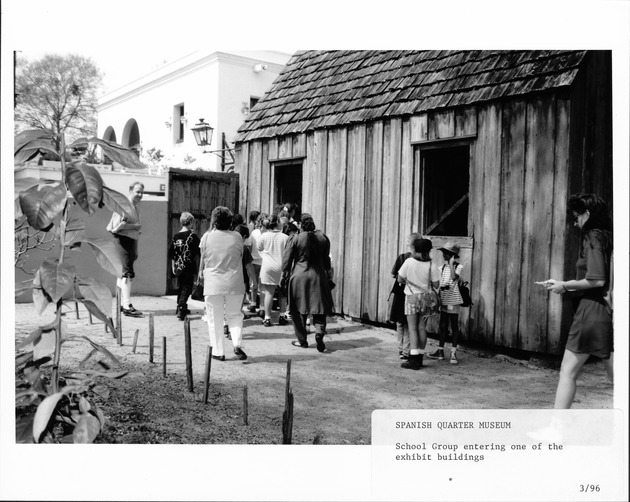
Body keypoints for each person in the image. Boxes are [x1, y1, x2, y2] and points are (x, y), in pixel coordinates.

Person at [543, 193, 613, 408]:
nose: (575, 222)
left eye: (577, 217)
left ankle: (557, 430)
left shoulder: (593, 236)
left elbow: (597, 280)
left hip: (591, 309)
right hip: (606, 310)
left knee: (567, 372)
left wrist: (564, 285)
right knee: (618, 378)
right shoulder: (607, 236)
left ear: (588, 214)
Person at [198, 206, 247, 361]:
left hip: (213, 282)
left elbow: (202, 257)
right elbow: (241, 254)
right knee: (235, 315)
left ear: (214, 220)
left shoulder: (206, 237)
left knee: (214, 319)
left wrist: (200, 273)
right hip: (234, 281)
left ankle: (218, 351)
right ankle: (237, 343)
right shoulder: (237, 236)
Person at [282, 214, 334, 352]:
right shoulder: (323, 238)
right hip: (318, 276)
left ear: (300, 225)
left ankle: (302, 340)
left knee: (298, 309)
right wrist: (328, 276)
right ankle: (319, 333)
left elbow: (286, 261)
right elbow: (327, 262)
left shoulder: (296, 238)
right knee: (319, 308)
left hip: (299, 276)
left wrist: (284, 276)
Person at [396, 237, 441, 370]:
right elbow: (436, 284)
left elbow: (400, 278)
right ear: (429, 251)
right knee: (422, 328)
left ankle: (413, 359)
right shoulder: (432, 265)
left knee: (412, 328)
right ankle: (420, 357)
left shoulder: (409, 261)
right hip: (426, 299)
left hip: (411, 297)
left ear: (415, 250)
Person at [106, 181, 144, 317]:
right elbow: (114, 229)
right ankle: (127, 305)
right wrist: (130, 227)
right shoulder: (124, 206)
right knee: (127, 273)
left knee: (122, 272)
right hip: (123, 240)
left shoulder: (135, 208)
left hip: (130, 241)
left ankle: (122, 303)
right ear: (130, 190)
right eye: (137, 192)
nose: (140, 195)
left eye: (141, 192)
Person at [427, 242, 464, 364]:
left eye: (446, 253)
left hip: (453, 300)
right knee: (442, 326)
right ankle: (440, 351)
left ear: (452, 255)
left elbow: (453, 278)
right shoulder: (441, 267)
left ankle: (453, 353)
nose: (443, 255)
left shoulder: (458, 267)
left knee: (454, 327)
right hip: (444, 299)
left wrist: (452, 264)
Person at [388, 234, 420, 360]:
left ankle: (401, 349)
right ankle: (406, 350)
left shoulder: (402, 257)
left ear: (409, 244)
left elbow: (393, 275)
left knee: (400, 322)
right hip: (412, 293)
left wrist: (401, 279)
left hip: (400, 293)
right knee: (408, 323)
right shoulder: (421, 259)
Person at [257, 213, 289, 326]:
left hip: (267, 266)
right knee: (282, 293)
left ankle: (267, 318)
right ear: (278, 224)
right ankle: (282, 316)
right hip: (281, 266)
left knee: (269, 293)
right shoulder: (285, 237)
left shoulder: (264, 236)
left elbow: (259, 248)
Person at [170, 212, 200, 320]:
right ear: (190, 222)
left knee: (181, 286)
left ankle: (180, 306)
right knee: (187, 287)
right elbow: (197, 254)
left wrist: (173, 266)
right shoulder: (193, 236)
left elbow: (172, 253)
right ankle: (182, 306)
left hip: (178, 266)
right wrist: (198, 269)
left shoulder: (176, 236)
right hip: (188, 266)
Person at [247, 212, 266, 313]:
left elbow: (249, 246)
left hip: (254, 261)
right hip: (264, 262)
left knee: (253, 284)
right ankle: (262, 307)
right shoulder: (268, 234)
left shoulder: (254, 233)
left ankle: (253, 304)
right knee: (262, 286)